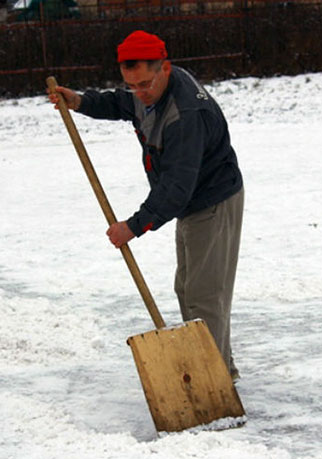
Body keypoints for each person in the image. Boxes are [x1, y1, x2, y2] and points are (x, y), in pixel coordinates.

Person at [48, 30, 244, 381]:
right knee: (188, 288)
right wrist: (80, 102)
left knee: (204, 295)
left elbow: (175, 189)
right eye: (131, 85)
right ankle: (215, 367)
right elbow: (123, 104)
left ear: (165, 68)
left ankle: (215, 380)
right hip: (194, 201)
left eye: (143, 85)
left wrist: (133, 226)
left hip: (212, 200)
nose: (138, 93)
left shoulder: (185, 115)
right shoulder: (151, 90)